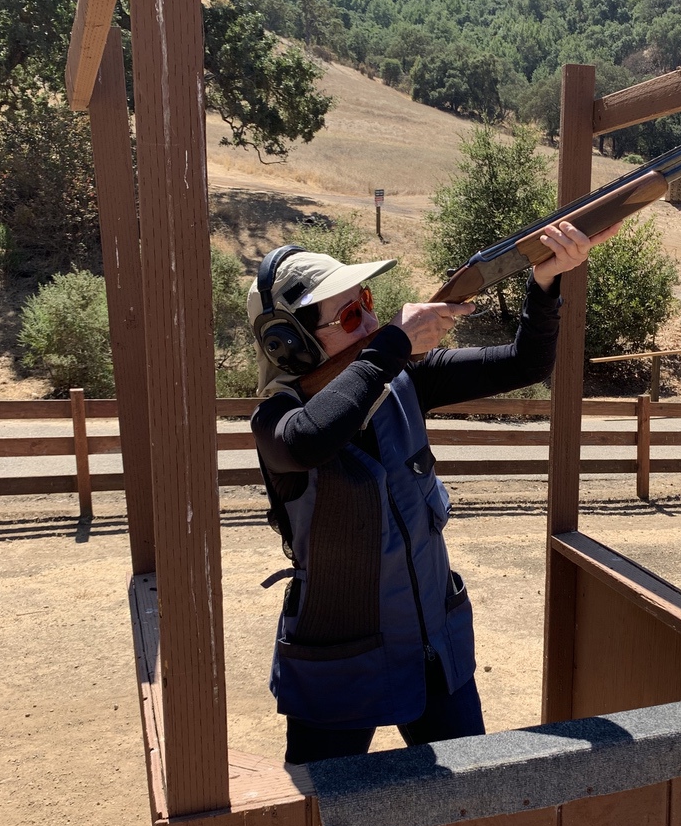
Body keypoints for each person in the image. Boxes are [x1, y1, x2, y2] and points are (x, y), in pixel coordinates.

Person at [247, 219, 618, 764]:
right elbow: (309, 441)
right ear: (290, 345)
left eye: (367, 301)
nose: (372, 320)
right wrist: (394, 344)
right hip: (338, 668)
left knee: (471, 807)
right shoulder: (277, 419)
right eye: (351, 314)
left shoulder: (404, 379)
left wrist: (545, 284)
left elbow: (525, 363)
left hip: (433, 649)